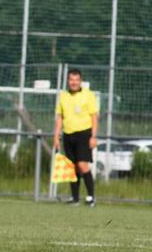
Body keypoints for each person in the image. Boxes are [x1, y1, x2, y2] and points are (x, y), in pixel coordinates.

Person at [53, 68, 99, 207]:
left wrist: (93, 136)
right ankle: (75, 198)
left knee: (82, 165)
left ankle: (91, 197)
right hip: (68, 134)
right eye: (71, 80)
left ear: (80, 81)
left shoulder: (88, 95)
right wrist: (56, 135)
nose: (74, 82)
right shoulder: (63, 95)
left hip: (84, 134)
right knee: (71, 167)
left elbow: (94, 117)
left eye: (76, 80)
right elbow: (60, 117)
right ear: (68, 81)